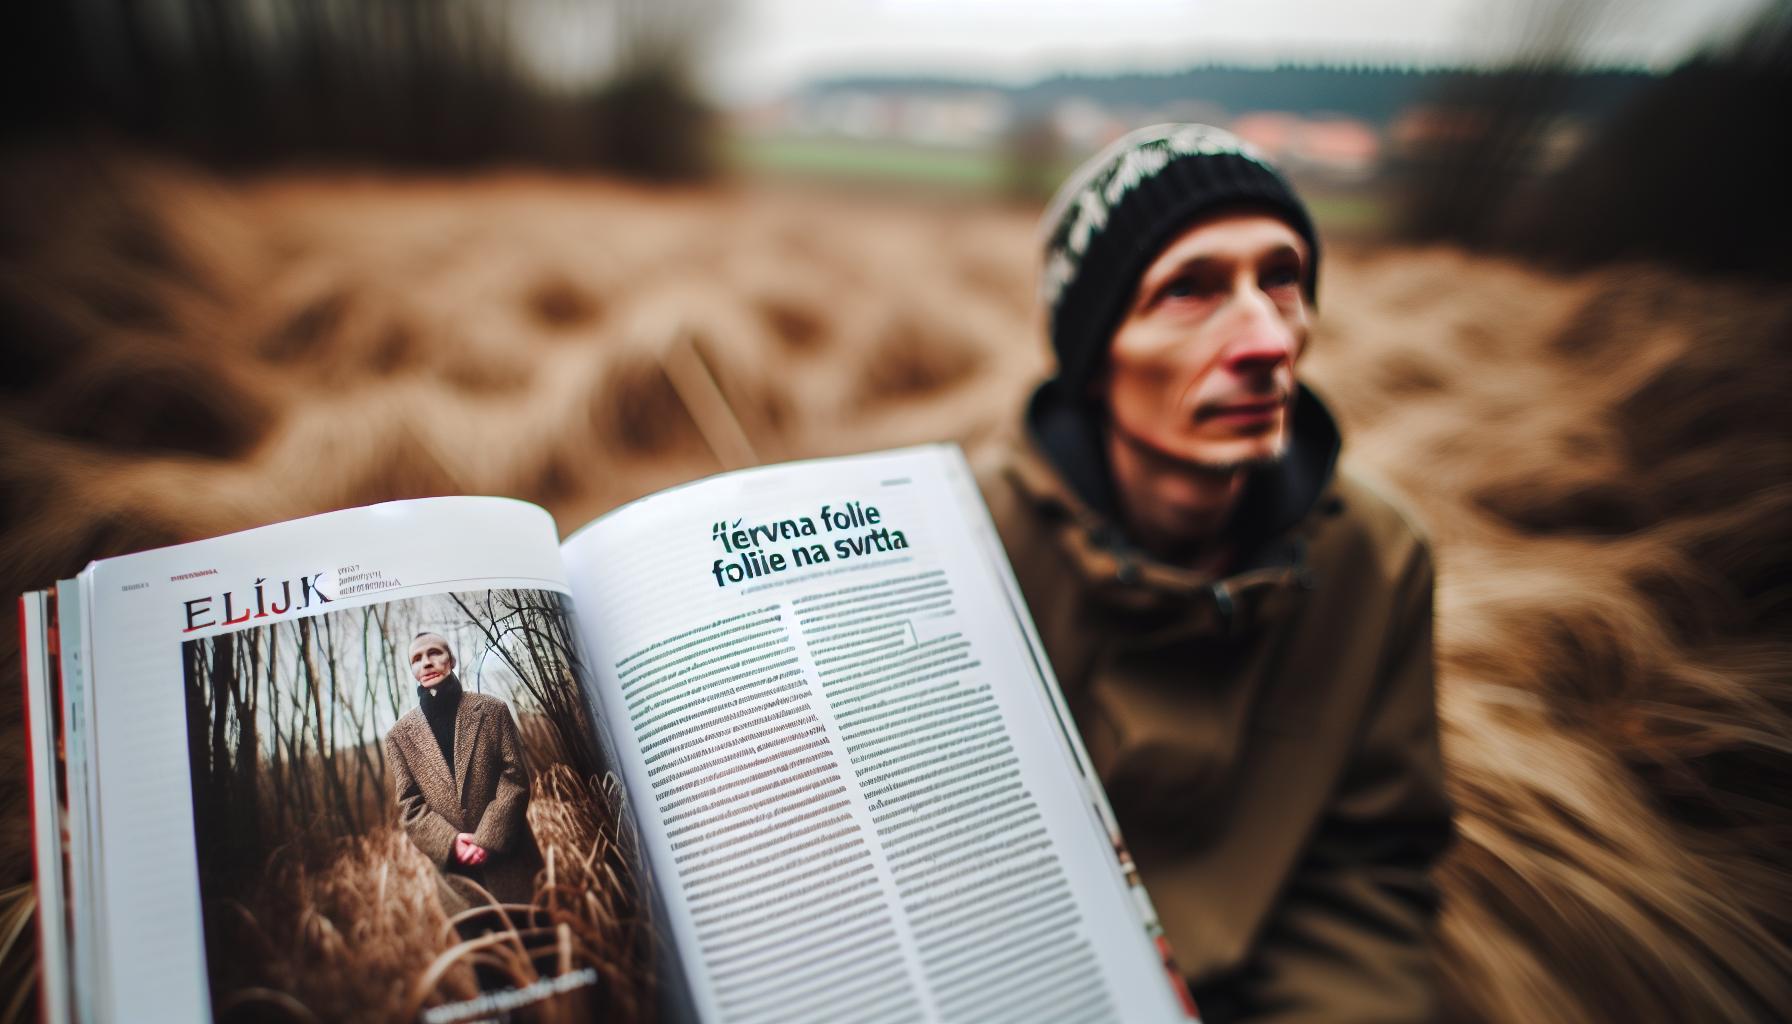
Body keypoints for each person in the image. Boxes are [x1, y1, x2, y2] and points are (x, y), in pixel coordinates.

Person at [977, 124, 1454, 1022]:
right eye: (1188, 290)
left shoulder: (1378, 559)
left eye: (1282, 278)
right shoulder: (962, 547)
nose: (1267, 340)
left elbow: (1364, 876)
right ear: (1095, 360)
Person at [385, 631, 542, 918]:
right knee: (487, 963)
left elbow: (515, 778)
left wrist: (487, 838)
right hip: (458, 887)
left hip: (514, 869)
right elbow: (409, 806)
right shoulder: (399, 736)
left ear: (451, 659)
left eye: (434, 653)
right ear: (412, 671)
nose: (426, 662)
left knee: (542, 955)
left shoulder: (493, 710)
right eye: (417, 659)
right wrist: (450, 843)